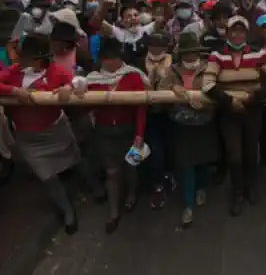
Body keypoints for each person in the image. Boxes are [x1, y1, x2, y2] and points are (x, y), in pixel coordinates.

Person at [202, 15, 266, 216]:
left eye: (241, 31)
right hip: (228, 112)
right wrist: (230, 101)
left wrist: (256, 96)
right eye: (233, 30)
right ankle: (237, 192)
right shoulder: (217, 55)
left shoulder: (258, 54)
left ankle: (251, 187)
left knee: (250, 151)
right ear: (228, 33)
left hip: (253, 109)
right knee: (234, 154)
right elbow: (208, 84)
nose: (237, 34)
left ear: (247, 33)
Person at [0, 34, 81, 234]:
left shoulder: (56, 71)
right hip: (28, 138)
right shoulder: (15, 72)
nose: (19, 59)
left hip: (56, 129)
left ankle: (95, 188)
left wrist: (68, 87)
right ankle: (67, 210)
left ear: (36, 59)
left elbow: (77, 81)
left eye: (24, 56)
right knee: (47, 176)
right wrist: (14, 91)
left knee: (75, 159)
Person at [76, 37, 149, 233]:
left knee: (131, 166)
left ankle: (132, 195)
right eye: (105, 59)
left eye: (112, 58)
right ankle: (113, 213)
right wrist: (80, 94)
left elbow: (140, 107)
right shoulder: (92, 80)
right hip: (104, 132)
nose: (108, 63)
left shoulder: (133, 76)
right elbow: (86, 106)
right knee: (112, 172)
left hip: (129, 130)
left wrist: (140, 134)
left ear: (120, 58)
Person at [160, 32, 219, 226]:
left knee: (203, 162)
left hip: (204, 122)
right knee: (185, 165)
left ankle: (201, 187)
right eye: (186, 53)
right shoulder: (173, 70)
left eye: (193, 52)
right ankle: (188, 204)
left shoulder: (209, 68)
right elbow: (160, 89)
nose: (190, 56)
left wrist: (203, 103)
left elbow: (218, 90)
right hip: (181, 123)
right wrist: (174, 88)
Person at [143, 32, 173, 209]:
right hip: (147, 112)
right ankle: (157, 183)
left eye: (159, 46)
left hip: (169, 110)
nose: (156, 49)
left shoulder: (173, 61)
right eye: (152, 45)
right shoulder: (140, 61)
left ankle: (169, 174)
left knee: (169, 144)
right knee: (155, 148)